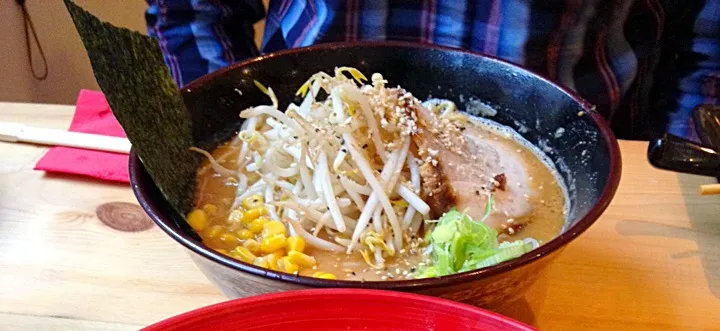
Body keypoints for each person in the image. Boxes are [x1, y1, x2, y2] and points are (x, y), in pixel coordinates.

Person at [145, 0, 720, 140]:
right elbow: (193, 10)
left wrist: (677, 160)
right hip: (299, 143)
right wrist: (221, 132)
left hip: (584, 167)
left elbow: (708, 40)